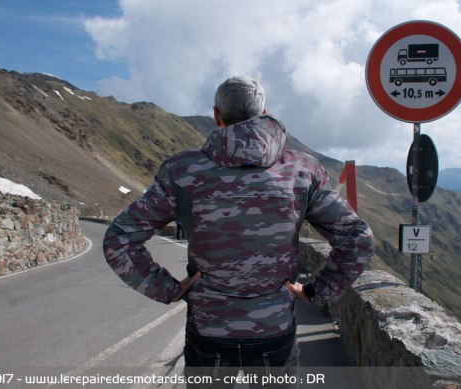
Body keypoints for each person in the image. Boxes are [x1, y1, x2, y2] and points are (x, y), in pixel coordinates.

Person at [103, 76, 374, 388]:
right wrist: (315, 291)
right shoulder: (303, 169)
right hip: (275, 330)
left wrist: (167, 288)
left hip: (209, 332)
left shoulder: (182, 170)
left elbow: (119, 239)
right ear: (263, 112)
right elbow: (358, 239)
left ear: (217, 116)